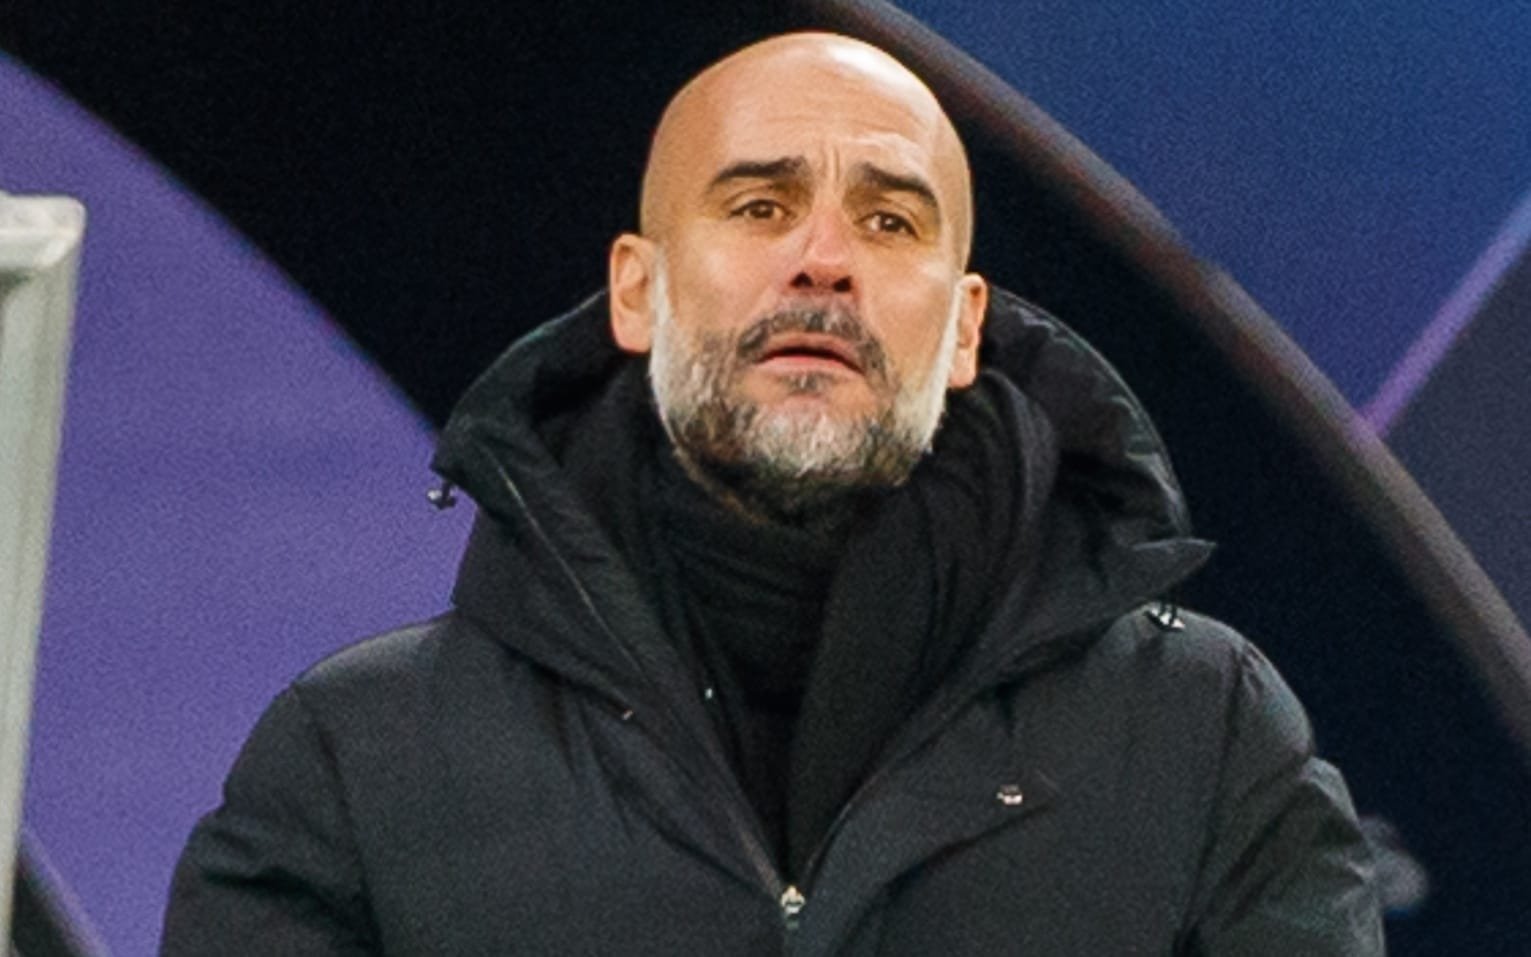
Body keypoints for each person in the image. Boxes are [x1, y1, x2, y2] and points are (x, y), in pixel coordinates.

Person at [161, 31, 1384, 955]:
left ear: (966, 327)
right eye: (758, 205)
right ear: (635, 292)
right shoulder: (360, 759)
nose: (824, 260)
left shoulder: (1198, 734)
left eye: (890, 221)